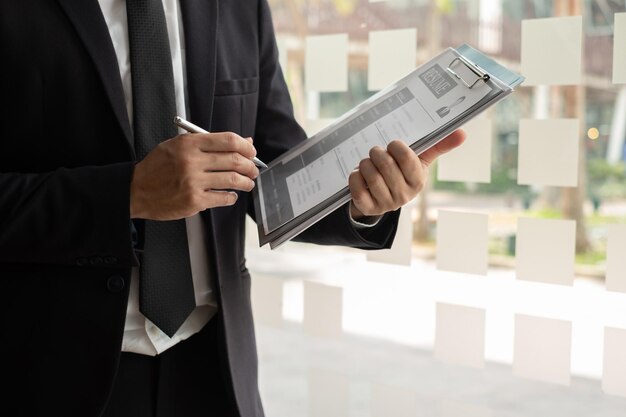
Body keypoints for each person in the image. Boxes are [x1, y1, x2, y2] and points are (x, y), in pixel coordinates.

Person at [0, 0, 465, 416]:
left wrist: (364, 202)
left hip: (216, 370)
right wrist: (128, 193)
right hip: (50, 373)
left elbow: (276, 170)